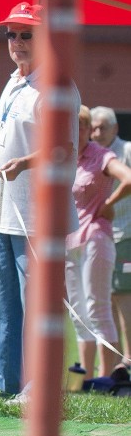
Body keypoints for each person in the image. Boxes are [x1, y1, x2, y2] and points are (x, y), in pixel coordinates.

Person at [0, 2, 81, 403]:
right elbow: (3, 142)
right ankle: (1, 384)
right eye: (11, 34)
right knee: (0, 307)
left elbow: (64, 147)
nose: (16, 42)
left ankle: (39, 386)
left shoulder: (56, 84)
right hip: (3, 210)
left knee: (36, 306)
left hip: (37, 214)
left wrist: (25, 163)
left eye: (26, 34)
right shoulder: (14, 82)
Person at [66, 105, 131, 378]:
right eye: (75, 126)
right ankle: (88, 378)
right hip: (69, 241)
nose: (82, 131)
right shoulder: (65, 159)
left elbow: (127, 179)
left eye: (83, 126)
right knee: (78, 312)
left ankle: (107, 376)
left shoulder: (102, 155)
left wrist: (108, 203)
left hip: (97, 236)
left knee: (98, 306)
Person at [90, 106, 131, 363]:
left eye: (103, 127)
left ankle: (128, 356)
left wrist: (108, 205)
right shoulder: (92, 154)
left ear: (115, 128)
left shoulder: (126, 151)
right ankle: (113, 358)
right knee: (104, 296)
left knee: (123, 293)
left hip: (125, 234)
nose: (97, 132)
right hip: (100, 237)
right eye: (93, 127)